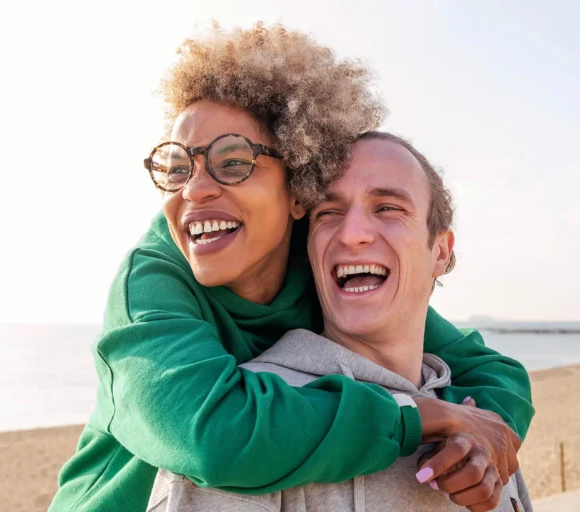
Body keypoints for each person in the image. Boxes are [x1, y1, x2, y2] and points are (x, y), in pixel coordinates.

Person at [51, 24, 534, 512]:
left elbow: (489, 371)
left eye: (233, 161)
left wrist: (480, 436)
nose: (194, 190)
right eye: (178, 167)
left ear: (298, 188)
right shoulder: (152, 281)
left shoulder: (320, 260)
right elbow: (213, 434)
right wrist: (421, 417)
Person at [148, 132, 533, 512]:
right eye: (328, 214)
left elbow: (497, 371)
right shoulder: (249, 431)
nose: (352, 235)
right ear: (308, 249)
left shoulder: (481, 423)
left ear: (441, 251)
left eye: (387, 208)